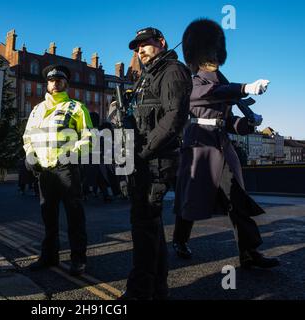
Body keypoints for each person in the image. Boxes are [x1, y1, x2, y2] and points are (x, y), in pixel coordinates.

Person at [173, 19, 280, 269]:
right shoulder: (193, 81)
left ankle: (249, 252)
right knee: (191, 198)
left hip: (222, 144)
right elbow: (208, 95)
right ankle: (180, 239)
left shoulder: (221, 80)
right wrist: (245, 88)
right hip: (199, 145)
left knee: (237, 197)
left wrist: (248, 123)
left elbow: (227, 119)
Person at [119, 27, 192, 300]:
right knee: (151, 227)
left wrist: (143, 152)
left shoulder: (172, 71)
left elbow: (174, 117)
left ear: (161, 42)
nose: (140, 51)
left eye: (145, 45)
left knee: (143, 228)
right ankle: (157, 289)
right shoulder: (147, 77)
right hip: (143, 160)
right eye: (137, 48)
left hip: (155, 161)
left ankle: (138, 293)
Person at [23, 65, 93, 276]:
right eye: (52, 80)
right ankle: (49, 256)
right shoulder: (37, 110)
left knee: (74, 216)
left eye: (60, 80)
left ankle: (78, 260)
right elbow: (28, 136)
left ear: (66, 84)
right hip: (44, 171)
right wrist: (29, 155)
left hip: (66, 169)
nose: (55, 83)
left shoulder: (77, 108)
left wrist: (71, 155)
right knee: (48, 216)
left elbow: (89, 137)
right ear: (47, 83)